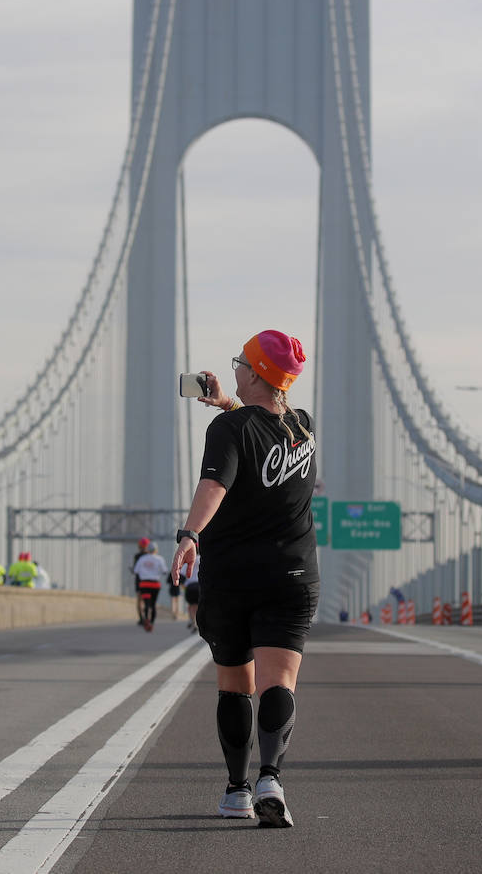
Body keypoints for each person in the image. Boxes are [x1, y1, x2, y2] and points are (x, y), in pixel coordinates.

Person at [170, 328, 316, 829]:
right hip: (292, 574)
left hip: (232, 575)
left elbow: (216, 482)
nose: (234, 366)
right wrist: (228, 402)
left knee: (235, 685)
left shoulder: (227, 432)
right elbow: (263, 423)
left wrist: (189, 534)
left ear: (254, 372)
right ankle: (271, 777)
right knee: (281, 680)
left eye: (239, 361)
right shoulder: (304, 428)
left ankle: (236, 791)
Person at [132, 543, 168, 631]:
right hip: (155, 585)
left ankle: (146, 620)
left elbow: (136, 570)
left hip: (144, 584)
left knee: (146, 602)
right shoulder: (160, 559)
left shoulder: (142, 558)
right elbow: (164, 571)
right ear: (156, 550)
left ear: (147, 550)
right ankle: (151, 622)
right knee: (153, 604)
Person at [131, 537, 150, 625]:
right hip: (149, 580)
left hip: (139, 580)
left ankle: (141, 618)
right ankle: (147, 617)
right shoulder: (151, 556)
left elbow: (135, 570)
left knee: (139, 599)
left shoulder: (137, 556)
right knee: (147, 599)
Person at [182, 553, 201, 631]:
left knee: (191, 604)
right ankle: (196, 622)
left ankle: (192, 620)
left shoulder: (188, 560)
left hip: (190, 586)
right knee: (198, 605)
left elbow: (182, 574)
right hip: (199, 585)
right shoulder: (202, 559)